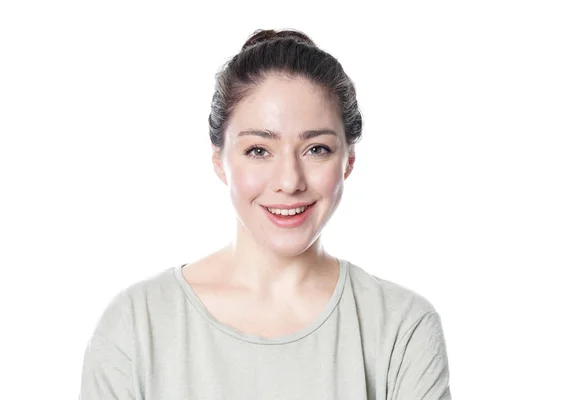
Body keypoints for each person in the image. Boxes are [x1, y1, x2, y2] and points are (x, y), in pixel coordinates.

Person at [79, 28, 452, 399]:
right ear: (219, 162)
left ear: (348, 161)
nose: (289, 181)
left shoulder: (402, 327)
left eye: (317, 149)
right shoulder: (135, 325)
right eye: (258, 150)